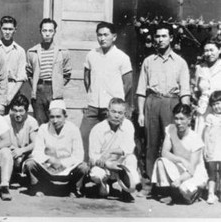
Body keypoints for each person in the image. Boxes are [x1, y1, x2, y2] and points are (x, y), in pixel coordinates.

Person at [136, 24, 191, 194]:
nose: (160, 40)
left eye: (164, 36)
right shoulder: (148, 61)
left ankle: (170, 185)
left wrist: (185, 114)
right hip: (152, 101)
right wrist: (140, 112)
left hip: (172, 103)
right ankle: (150, 185)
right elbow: (141, 90)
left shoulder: (180, 62)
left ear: (171, 38)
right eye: (157, 36)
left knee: (172, 143)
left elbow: (185, 91)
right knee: (151, 143)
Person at [80, 22, 133, 162]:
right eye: (99, 35)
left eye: (106, 35)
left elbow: (128, 84)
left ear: (114, 37)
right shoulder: (91, 55)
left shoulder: (122, 57)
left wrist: (117, 103)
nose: (102, 38)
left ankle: (110, 174)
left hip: (111, 109)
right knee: (84, 136)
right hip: (93, 106)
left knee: (110, 140)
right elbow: (86, 78)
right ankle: (86, 172)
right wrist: (92, 94)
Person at [24, 100, 88, 197]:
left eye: (58, 117)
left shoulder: (73, 129)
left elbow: (79, 155)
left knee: (83, 167)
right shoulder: (43, 128)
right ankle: (39, 186)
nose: (55, 120)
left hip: (67, 168)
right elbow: (37, 152)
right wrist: (50, 160)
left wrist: (62, 163)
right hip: (48, 167)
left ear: (65, 117)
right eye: (52, 117)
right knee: (29, 163)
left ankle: (73, 188)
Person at [151, 104, 208, 205]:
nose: (178, 122)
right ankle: (169, 193)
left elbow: (191, 170)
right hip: (181, 165)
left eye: (182, 119)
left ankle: (196, 191)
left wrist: (179, 180)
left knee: (186, 192)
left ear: (189, 119)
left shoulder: (195, 138)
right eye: (176, 118)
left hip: (194, 171)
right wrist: (181, 160)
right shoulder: (170, 129)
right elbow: (164, 152)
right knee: (161, 161)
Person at [88, 98, 140, 202]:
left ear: (124, 114)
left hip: (120, 164)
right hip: (104, 165)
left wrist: (110, 151)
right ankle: (104, 185)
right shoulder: (98, 129)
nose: (116, 116)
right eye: (113, 112)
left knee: (131, 158)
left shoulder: (128, 125)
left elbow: (128, 148)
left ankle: (126, 191)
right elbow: (93, 157)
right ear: (107, 112)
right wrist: (108, 164)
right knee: (96, 175)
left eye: (120, 113)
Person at [27, 18, 72, 124]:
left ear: (55, 32)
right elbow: (29, 73)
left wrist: (58, 85)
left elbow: (67, 73)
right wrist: (35, 86)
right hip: (38, 92)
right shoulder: (32, 52)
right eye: (44, 31)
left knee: (55, 122)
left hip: (54, 91)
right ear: (40, 31)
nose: (47, 34)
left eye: (50, 31)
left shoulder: (63, 52)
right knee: (40, 123)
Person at [0, 16, 27, 104]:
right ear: (0, 29)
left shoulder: (20, 51)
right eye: (5, 29)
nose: (7, 32)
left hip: (13, 91)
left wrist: (10, 97)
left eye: (10, 29)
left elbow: (21, 77)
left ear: (15, 30)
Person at [4, 94, 38, 175]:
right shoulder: (5, 120)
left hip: (26, 154)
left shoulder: (31, 122)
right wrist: (12, 150)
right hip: (10, 152)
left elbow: (35, 143)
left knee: (36, 157)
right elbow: (0, 141)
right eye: (15, 110)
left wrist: (21, 151)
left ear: (26, 110)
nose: (17, 114)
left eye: (21, 111)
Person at [193, 38, 221, 133]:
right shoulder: (200, 68)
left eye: (211, 50)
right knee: (201, 138)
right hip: (203, 110)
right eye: (206, 51)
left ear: (219, 50)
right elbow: (196, 90)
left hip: (219, 110)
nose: (209, 54)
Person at [202, 91, 221, 204]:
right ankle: (211, 194)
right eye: (214, 104)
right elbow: (206, 133)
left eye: (219, 103)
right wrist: (205, 148)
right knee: (212, 173)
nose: (216, 107)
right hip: (213, 149)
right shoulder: (210, 117)